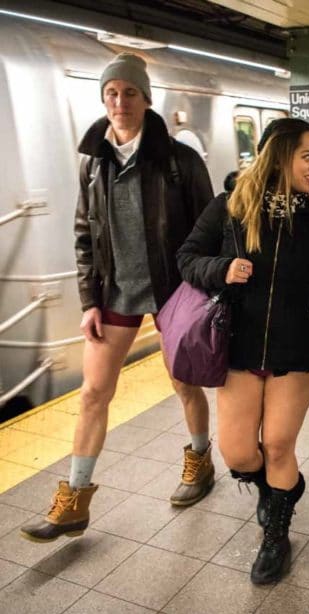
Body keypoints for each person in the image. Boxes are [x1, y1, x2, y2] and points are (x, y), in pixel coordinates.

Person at [21, 53, 215, 543]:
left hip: (173, 290)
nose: (119, 101)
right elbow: (83, 231)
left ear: (146, 99)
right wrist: (88, 300)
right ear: (103, 99)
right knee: (92, 393)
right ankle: (74, 500)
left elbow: (210, 230)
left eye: (130, 92)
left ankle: (199, 461)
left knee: (184, 386)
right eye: (111, 93)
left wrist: (203, 292)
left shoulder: (180, 161)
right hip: (115, 291)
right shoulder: (93, 161)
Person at [177, 117, 309, 585]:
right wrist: (221, 269)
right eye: (308, 156)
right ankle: (278, 490)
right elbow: (187, 259)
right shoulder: (230, 207)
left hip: (297, 348)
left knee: (279, 445)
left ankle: (276, 536)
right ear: (278, 155)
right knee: (239, 452)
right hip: (239, 346)